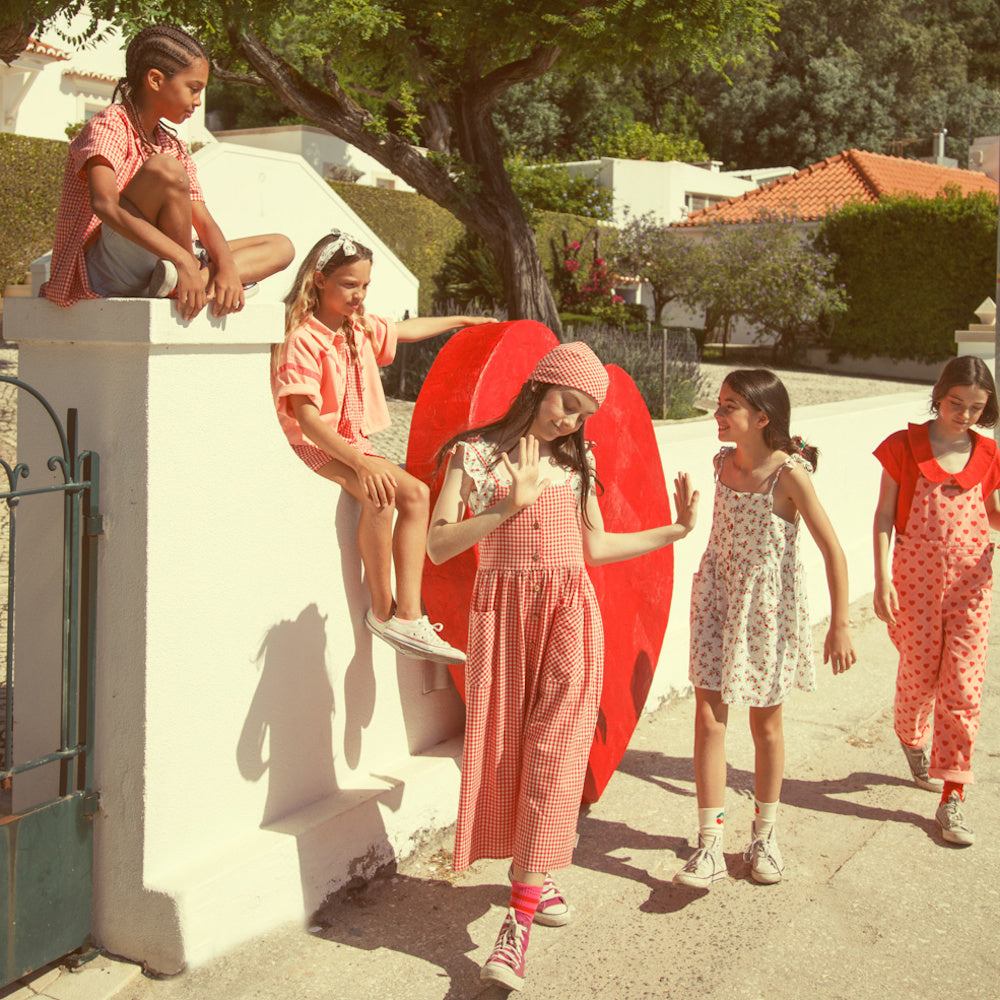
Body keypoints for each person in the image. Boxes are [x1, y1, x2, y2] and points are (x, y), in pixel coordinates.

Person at [426, 342, 698, 991]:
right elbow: (437, 546)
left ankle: (515, 926)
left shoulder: (578, 463)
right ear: (537, 387)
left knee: (555, 754)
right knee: (507, 755)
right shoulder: (473, 455)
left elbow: (594, 546)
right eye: (565, 405)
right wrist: (506, 506)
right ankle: (536, 873)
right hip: (503, 618)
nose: (569, 423)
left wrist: (674, 531)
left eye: (581, 415)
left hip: (570, 615)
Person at [272, 231, 493, 664]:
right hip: (320, 446)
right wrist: (359, 461)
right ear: (319, 280)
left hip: (354, 444)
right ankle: (385, 609)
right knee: (387, 493)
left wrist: (461, 323)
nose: (359, 295)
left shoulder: (355, 329)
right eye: (349, 285)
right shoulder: (304, 339)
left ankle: (404, 614)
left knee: (413, 493)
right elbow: (307, 419)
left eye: (366, 286)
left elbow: (404, 330)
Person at [675, 369, 855, 890]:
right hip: (716, 598)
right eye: (719, 403)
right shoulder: (720, 463)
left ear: (760, 417)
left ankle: (764, 836)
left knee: (765, 727)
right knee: (709, 720)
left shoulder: (789, 475)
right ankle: (709, 845)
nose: (717, 413)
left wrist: (840, 624)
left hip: (765, 613)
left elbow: (834, 552)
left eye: (728, 405)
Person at [43, 23, 294, 319]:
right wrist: (184, 260)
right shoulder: (109, 124)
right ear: (155, 80)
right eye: (193, 88)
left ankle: (192, 280)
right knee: (165, 169)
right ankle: (187, 276)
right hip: (107, 267)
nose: (198, 101)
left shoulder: (172, 144)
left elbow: (201, 218)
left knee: (281, 246)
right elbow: (105, 204)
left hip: (161, 260)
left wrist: (226, 269)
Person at [873, 356, 1000, 846]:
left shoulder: (988, 455)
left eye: (975, 408)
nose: (964, 415)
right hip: (914, 582)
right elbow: (884, 515)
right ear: (939, 394)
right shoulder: (905, 446)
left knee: (963, 688)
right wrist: (881, 578)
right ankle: (910, 738)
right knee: (918, 679)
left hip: (973, 582)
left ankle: (952, 796)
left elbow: (991, 513)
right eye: (956, 404)